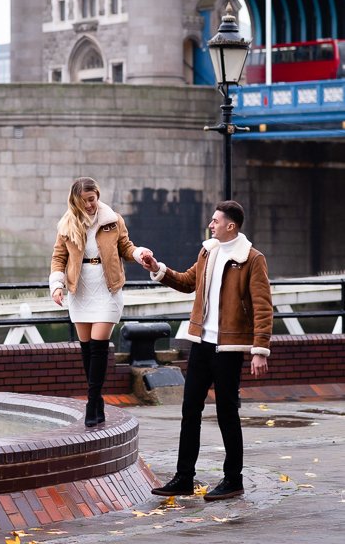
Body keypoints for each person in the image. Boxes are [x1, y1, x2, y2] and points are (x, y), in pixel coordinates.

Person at [141, 200, 272, 501]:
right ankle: (184, 477)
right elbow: (188, 282)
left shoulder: (252, 259)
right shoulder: (208, 250)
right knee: (190, 410)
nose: (211, 225)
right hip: (200, 342)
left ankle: (233, 480)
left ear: (231, 225)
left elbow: (263, 306)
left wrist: (259, 350)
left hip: (228, 347)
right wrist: (158, 269)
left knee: (227, 413)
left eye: (215, 220)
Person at [50, 177, 152, 427]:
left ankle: (92, 399)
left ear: (97, 196)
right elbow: (58, 258)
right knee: (87, 350)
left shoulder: (113, 220)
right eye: (84, 201)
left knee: (98, 346)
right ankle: (97, 403)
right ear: (76, 201)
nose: (89, 205)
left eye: (92, 199)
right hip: (80, 289)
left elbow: (126, 248)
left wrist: (140, 254)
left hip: (108, 288)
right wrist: (57, 285)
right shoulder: (67, 224)